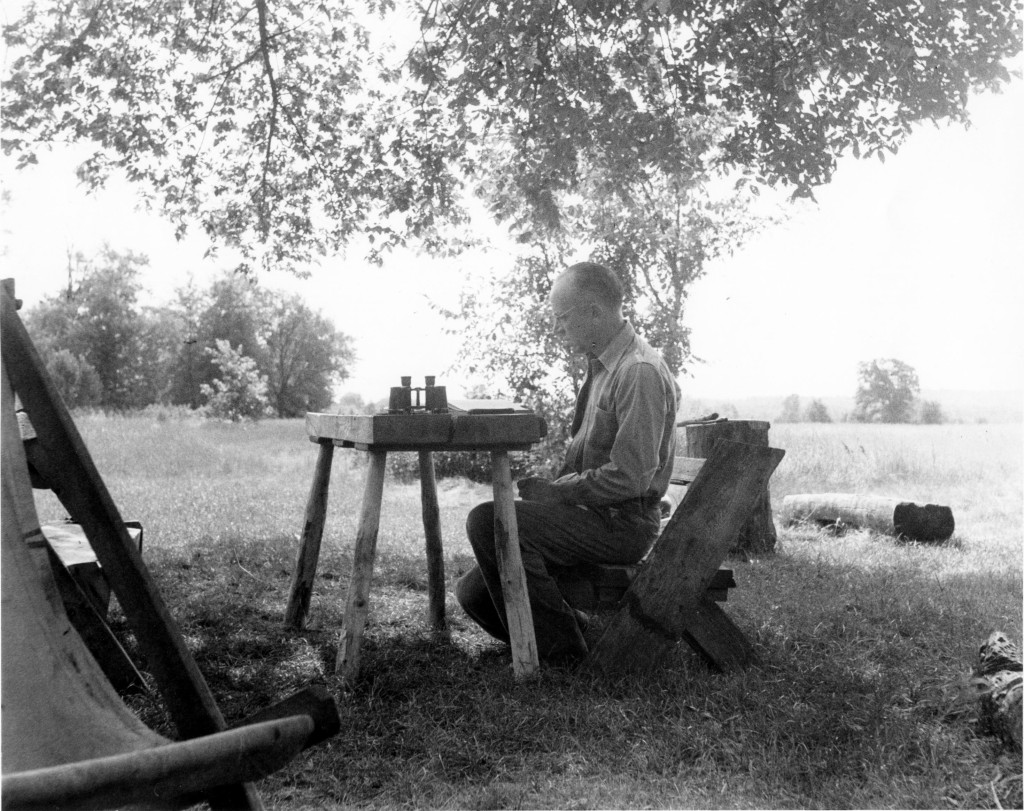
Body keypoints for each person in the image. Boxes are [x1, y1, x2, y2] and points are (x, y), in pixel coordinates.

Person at [455, 261, 680, 662]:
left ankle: (563, 654)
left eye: (563, 318)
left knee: (488, 521)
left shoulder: (638, 371)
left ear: (594, 310)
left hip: (623, 525)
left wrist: (558, 494)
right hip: (597, 515)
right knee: (472, 594)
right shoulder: (604, 367)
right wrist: (552, 492)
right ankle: (571, 631)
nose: (559, 329)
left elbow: (629, 478)